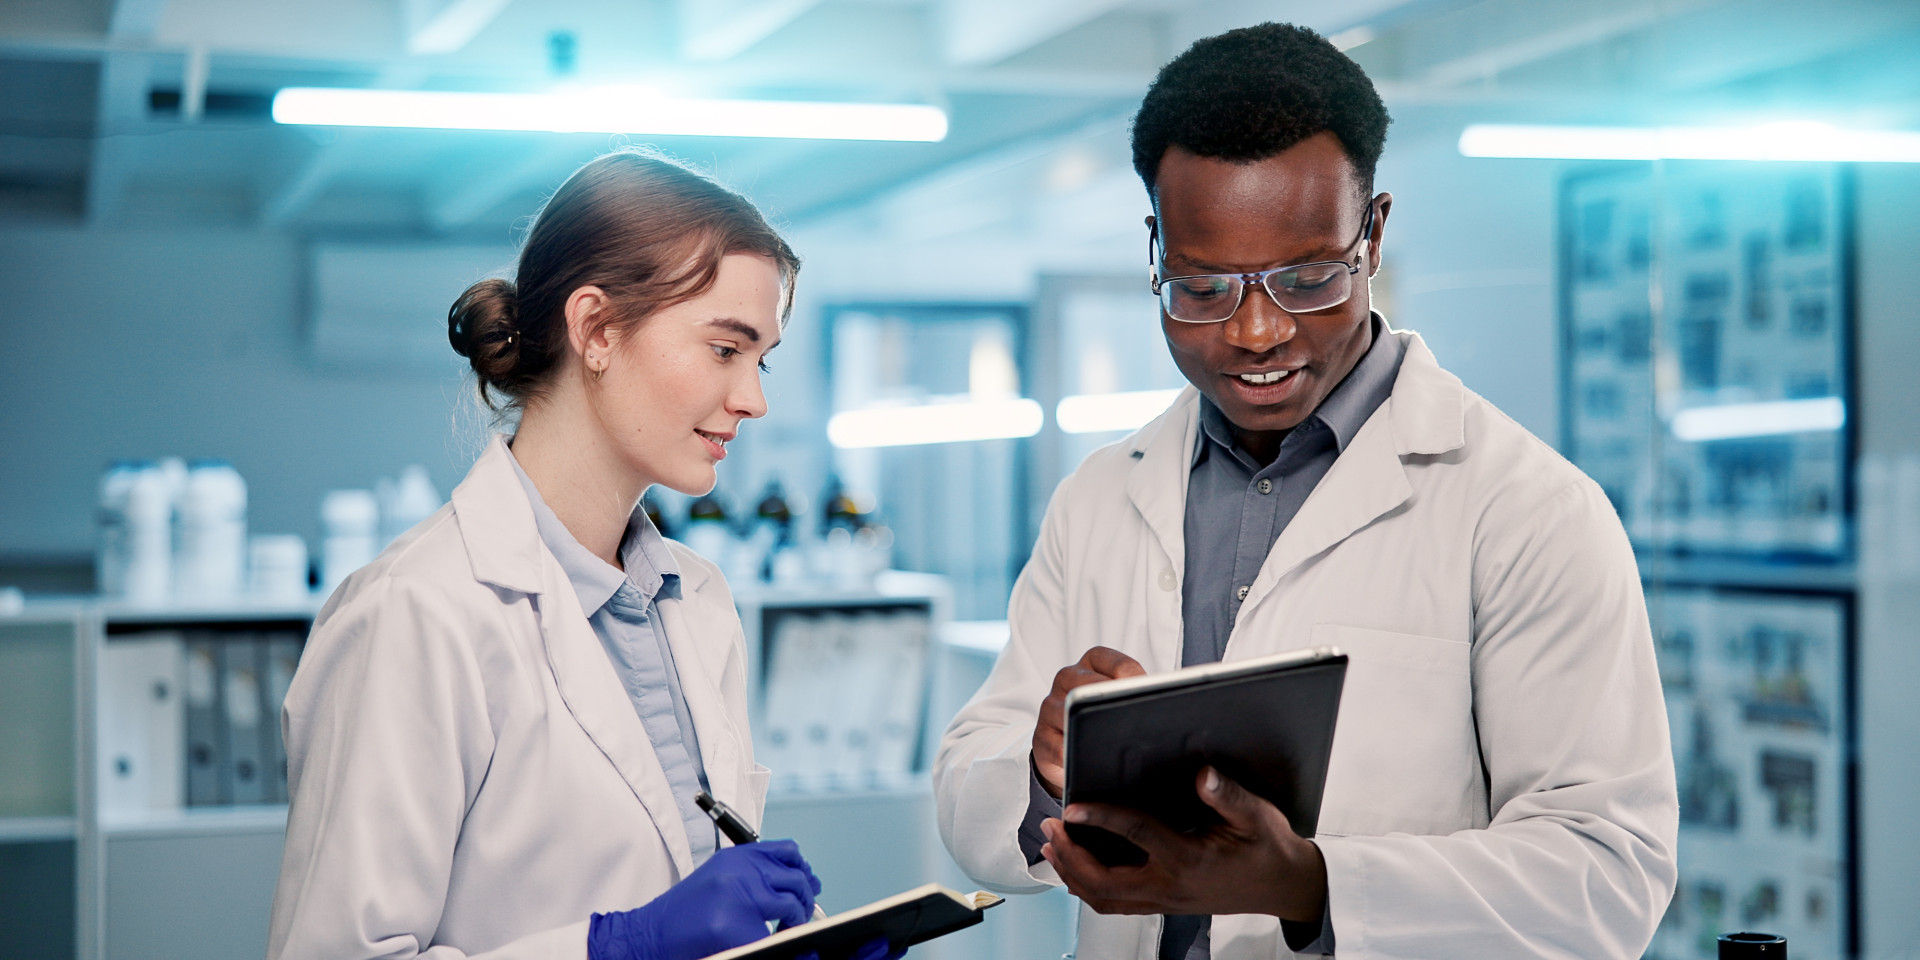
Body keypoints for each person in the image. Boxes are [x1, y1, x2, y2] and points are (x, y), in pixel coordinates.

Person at [932, 23, 1677, 960]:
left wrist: (1308, 883)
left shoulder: (1527, 511)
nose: (1254, 331)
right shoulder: (1098, 499)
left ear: (1374, 232)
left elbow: (1609, 874)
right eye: (1202, 289)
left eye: (1309, 279)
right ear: (1155, 247)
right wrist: (1044, 774)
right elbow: (968, 788)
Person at [268, 149, 896, 960]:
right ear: (597, 329)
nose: (755, 399)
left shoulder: (696, 602)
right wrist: (615, 948)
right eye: (723, 349)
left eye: (761, 358)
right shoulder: (415, 611)